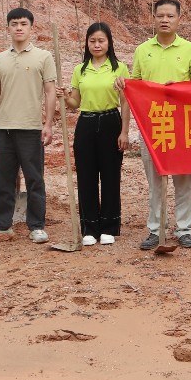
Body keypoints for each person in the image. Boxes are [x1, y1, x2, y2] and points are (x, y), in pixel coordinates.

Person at [125, 0, 191, 250]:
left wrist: (179, 90)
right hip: (152, 127)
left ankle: (184, 229)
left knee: (183, 181)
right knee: (155, 182)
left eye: (170, 16)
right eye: (161, 16)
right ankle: (155, 229)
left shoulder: (190, 50)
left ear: (179, 19)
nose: (165, 20)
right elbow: (134, 84)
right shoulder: (142, 50)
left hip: (182, 126)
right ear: (154, 18)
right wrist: (123, 84)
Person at [0, 7, 57, 245]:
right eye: (14, 24)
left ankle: (36, 226)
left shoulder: (43, 57)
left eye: (23, 24)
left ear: (31, 27)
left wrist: (48, 123)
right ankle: (1, 225)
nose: (18, 28)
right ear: (8, 27)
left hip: (31, 126)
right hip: (4, 126)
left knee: (35, 178)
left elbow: (49, 91)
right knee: (3, 178)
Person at [62, 21, 128, 246]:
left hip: (111, 121)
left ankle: (109, 226)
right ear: (87, 43)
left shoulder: (119, 68)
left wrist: (125, 131)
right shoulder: (80, 69)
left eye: (101, 40)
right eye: (92, 41)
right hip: (87, 124)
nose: (97, 45)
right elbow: (74, 103)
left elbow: (125, 102)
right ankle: (89, 227)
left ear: (109, 43)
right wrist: (65, 95)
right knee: (86, 176)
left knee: (110, 176)